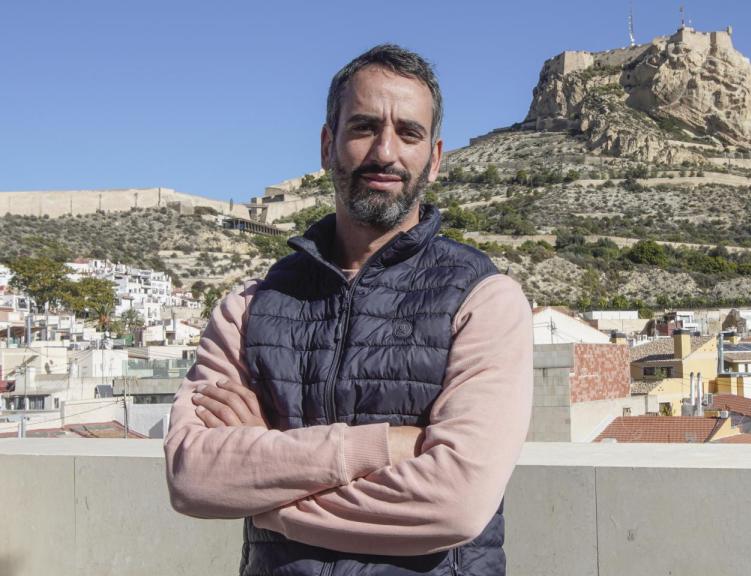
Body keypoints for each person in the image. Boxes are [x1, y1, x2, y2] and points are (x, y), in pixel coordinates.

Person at [164, 44, 533, 576]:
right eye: (363, 127)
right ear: (326, 143)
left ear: (434, 158)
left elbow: (457, 503)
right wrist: (384, 448)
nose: (385, 151)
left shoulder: (484, 300)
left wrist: (265, 481)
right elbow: (192, 477)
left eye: (408, 132)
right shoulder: (249, 308)